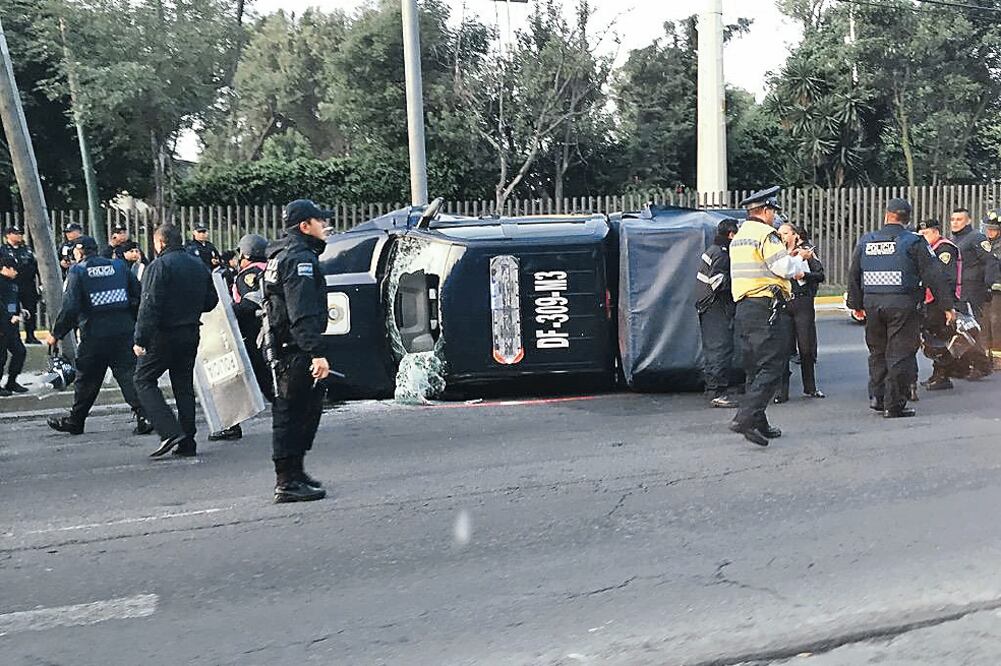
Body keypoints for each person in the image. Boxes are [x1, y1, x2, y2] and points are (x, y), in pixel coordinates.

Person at [847, 199, 956, 418]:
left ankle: (877, 397)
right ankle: (894, 404)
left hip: (873, 304)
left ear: (887, 215)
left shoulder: (867, 240)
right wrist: (947, 307)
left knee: (877, 351)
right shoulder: (914, 242)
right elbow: (934, 276)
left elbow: (854, 274)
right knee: (900, 353)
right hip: (902, 305)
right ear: (907, 219)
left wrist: (856, 305)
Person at [43, 236, 153, 436]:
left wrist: (56, 333)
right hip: (123, 332)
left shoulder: (79, 271)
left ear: (81, 251)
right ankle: (144, 416)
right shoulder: (119, 267)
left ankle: (76, 421)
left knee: (87, 380)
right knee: (128, 376)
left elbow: (71, 307)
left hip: (94, 335)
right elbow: (137, 296)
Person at [728, 186, 810, 447]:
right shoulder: (766, 234)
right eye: (773, 211)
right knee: (774, 365)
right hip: (767, 307)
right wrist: (799, 260)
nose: (776, 217)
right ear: (764, 211)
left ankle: (758, 421)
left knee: (755, 366)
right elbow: (782, 268)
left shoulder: (740, 235)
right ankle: (745, 417)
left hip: (745, 307)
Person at [263, 199, 332, 502]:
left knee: (304, 411)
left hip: (288, 346)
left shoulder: (281, 255)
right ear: (305, 226)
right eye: (320, 221)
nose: (326, 226)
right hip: (294, 349)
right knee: (291, 413)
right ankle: (287, 481)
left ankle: (296, 471)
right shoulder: (300, 259)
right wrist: (315, 351)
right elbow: (300, 310)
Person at [135, 223, 218, 458]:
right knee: (183, 386)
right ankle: (187, 441)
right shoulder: (198, 265)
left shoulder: (158, 267)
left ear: (161, 243)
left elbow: (149, 305)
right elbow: (211, 301)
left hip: (164, 334)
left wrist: (140, 338)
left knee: (143, 379)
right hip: (190, 331)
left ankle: (169, 429)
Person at [208, 234, 274, 442]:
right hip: (267, 332)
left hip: (250, 335)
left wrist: (226, 312)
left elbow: (250, 303)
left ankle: (231, 425)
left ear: (246, 254)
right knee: (266, 378)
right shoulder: (269, 268)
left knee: (234, 379)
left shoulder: (249, 274)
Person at [775, 223, 826, 401]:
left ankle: (810, 387)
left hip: (802, 301)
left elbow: (820, 274)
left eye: (786, 233)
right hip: (783, 301)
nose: (782, 236)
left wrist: (805, 275)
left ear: (795, 235)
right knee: (783, 349)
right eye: (780, 233)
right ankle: (782, 391)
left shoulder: (805, 252)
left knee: (806, 348)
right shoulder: (777, 254)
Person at [695, 218, 740, 408]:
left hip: (709, 305)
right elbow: (718, 282)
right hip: (715, 305)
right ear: (731, 234)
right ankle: (717, 392)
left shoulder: (715, 250)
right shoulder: (721, 254)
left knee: (716, 347)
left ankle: (713, 389)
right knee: (719, 347)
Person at [915, 219, 964, 391]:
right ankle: (938, 373)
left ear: (936, 232)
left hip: (941, 301)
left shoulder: (944, 248)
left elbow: (946, 278)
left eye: (926, 233)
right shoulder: (928, 250)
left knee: (941, 338)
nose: (922, 237)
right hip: (931, 299)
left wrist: (947, 306)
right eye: (920, 234)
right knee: (932, 338)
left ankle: (943, 376)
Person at [949, 207, 996, 379]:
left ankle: (982, 365)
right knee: (959, 329)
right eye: (953, 219)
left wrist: (988, 285)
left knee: (973, 328)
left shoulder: (976, 237)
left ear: (968, 221)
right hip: (958, 291)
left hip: (973, 290)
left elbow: (990, 260)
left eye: (959, 219)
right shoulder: (954, 240)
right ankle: (963, 365)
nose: (955, 222)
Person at [3, 225, 40, 345]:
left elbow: (35, 266)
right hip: (10, 287)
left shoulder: (27, 250)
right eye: (16, 233)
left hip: (27, 285)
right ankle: (14, 335)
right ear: (8, 235)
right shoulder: (2, 250)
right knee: (12, 310)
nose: (19, 235)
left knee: (30, 310)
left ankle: (30, 335)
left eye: (20, 233)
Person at [0, 252, 27, 396]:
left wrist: (20, 311)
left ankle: (12, 381)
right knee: (1, 357)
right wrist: (9, 316)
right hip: (2, 326)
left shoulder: (13, 284)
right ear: (5, 268)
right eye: (14, 269)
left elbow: (12, 302)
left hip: (12, 327)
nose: (16, 272)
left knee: (20, 352)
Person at [980, 210, 1001, 358]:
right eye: (988, 228)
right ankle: (984, 354)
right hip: (984, 288)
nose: (989, 232)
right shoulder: (984, 244)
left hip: (998, 290)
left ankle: (998, 356)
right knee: (984, 321)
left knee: (996, 321)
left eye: (993, 229)